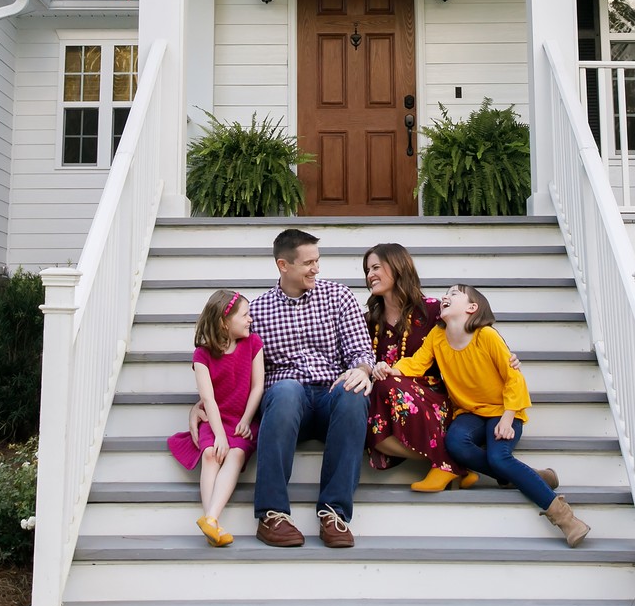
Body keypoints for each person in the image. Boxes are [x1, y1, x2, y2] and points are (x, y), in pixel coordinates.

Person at [379, 284, 591, 546]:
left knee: (499, 457)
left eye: (454, 294)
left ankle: (566, 518)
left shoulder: (486, 335)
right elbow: (417, 363)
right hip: (470, 412)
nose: (446, 297)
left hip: (503, 410)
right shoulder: (437, 335)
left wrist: (508, 417)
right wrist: (391, 370)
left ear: (472, 307)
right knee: (455, 444)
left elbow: (514, 378)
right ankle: (528, 474)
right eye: (446, 294)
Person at [246, 228, 374, 549]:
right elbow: (238, 366)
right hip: (289, 406)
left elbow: (360, 351)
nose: (316, 268)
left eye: (318, 260)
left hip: (331, 396)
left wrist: (361, 370)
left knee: (353, 391)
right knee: (286, 389)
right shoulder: (258, 311)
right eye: (308, 263)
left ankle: (334, 513)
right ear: (283, 265)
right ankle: (272, 514)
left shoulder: (338, 297)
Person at [166, 289, 264, 547]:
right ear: (224, 321)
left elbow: (258, 387)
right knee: (210, 454)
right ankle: (212, 523)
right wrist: (219, 434)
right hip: (215, 418)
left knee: (235, 454)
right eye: (245, 315)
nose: (250, 319)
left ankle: (210, 518)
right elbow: (208, 399)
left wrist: (246, 419)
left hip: (243, 419)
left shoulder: (254, 343)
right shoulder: (202, 355)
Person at [360, 242, 459, 492]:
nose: (370, 275)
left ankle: (451, 464)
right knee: (368, 425)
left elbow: (474, 333)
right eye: (367, 270)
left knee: (386, 385)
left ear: (398, 266)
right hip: (386, 400)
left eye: (375, 267)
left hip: (432, 397)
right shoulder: (369, 321)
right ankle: (451, 462)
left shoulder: (434, 310)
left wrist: (506, 355)